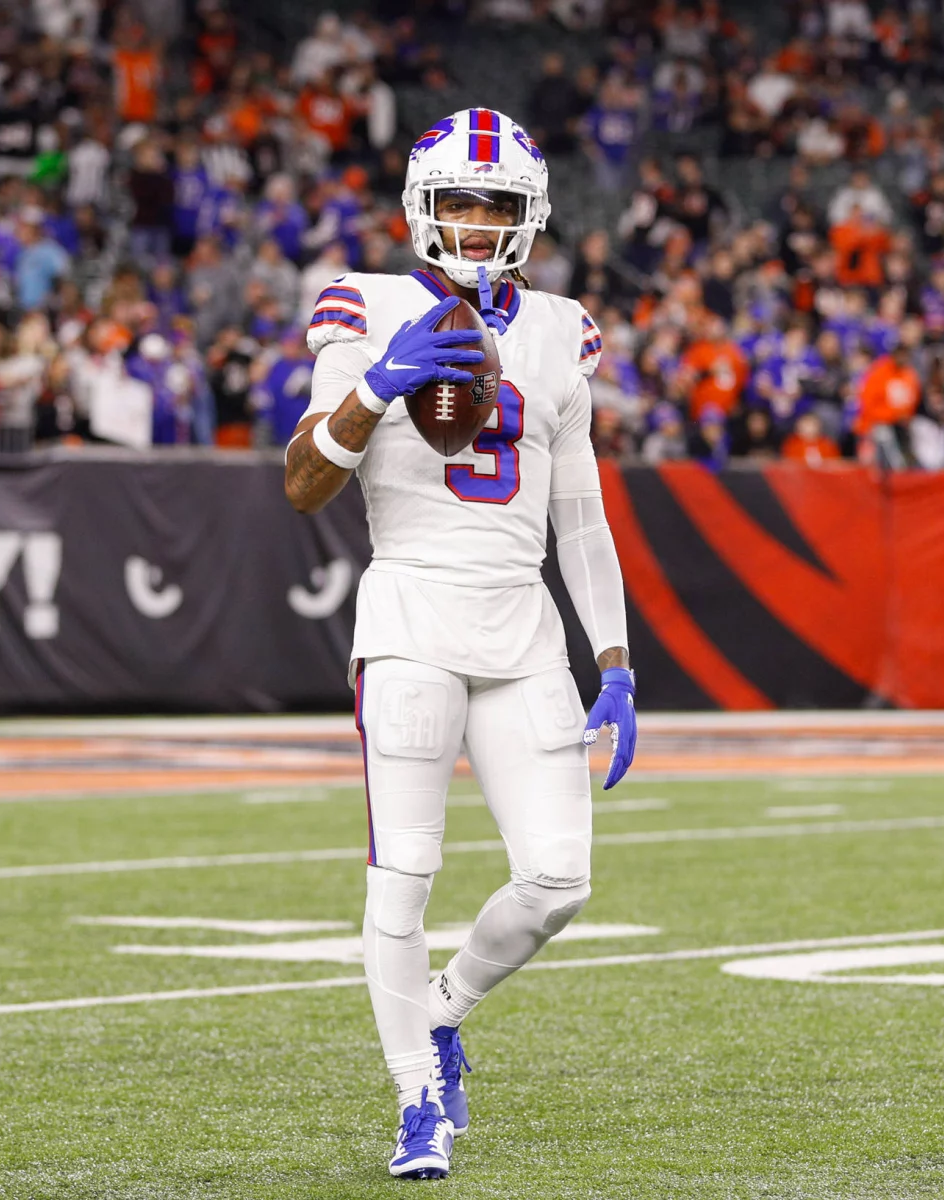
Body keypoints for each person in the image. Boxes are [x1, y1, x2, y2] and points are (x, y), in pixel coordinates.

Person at [282, 108, 636, 1183]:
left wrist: (614, 663)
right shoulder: (366, 305)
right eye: (458, 203)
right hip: (412, 619)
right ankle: (415, 1101)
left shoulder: (563, 326)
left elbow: (580, 515)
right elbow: (302, 483)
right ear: (419, 208)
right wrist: (374, 387)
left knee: (559, 879)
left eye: (496, 206)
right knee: (406, 877)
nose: (476, 224)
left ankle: (441, 1012)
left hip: (523, 630)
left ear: (529, 218)